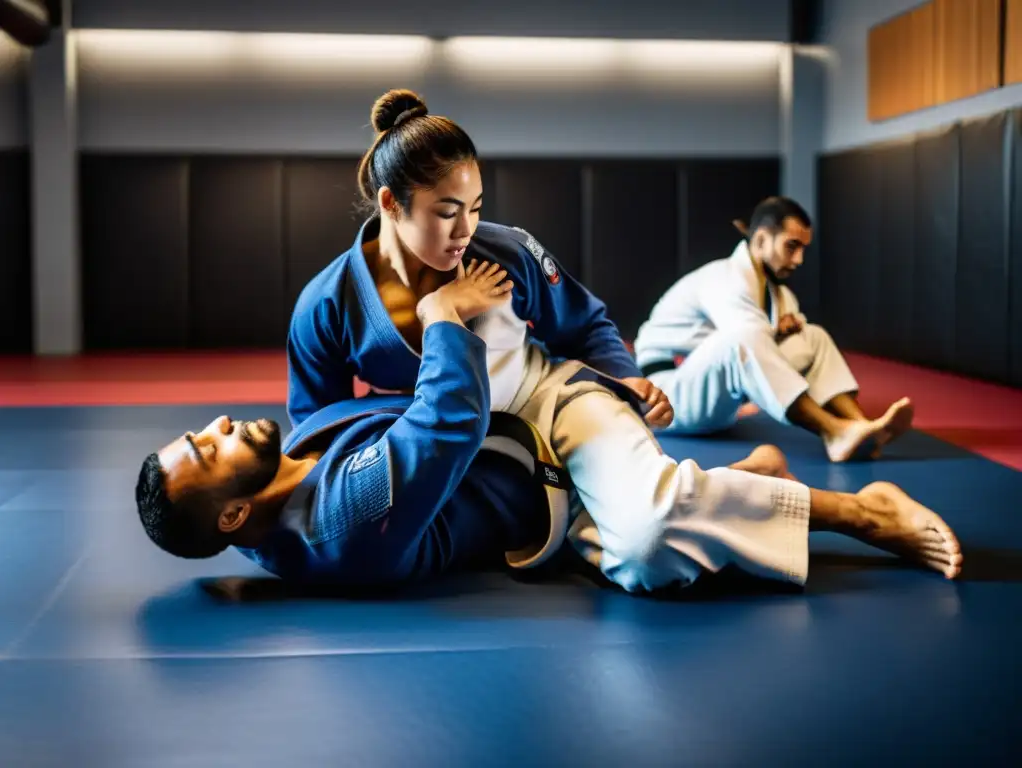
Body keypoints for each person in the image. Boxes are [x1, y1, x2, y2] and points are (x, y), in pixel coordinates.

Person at [275, 87, 959, 593]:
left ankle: (862, 511)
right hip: (466, 456)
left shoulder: (505, 253)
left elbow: (589, 324)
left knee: (650, 542)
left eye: (475, 209)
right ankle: (736, 483)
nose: (464, 231)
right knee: (619, 554)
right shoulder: (327, 305)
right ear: (392, 204)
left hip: (557, 403)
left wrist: (624, 381)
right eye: (446, 213)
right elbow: (323, 430)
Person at [134, 271, 962, 589]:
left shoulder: (261, 496)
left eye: (199, 432)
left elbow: (317, 408)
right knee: (645, 555)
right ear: (233, 513)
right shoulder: (337, 517)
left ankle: (849, 509)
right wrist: (440, 313)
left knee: (652, 528)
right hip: (534, 471)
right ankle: (813, 491)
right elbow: (447, 425)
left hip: (540, 424)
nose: (215, 427)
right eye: (208, 450)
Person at [632, 196, 915, 463]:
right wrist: (774, 331)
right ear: (762, 239)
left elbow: (769, 345)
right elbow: (745, 340)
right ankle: (834, 431)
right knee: (745, 336)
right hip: (668, 398)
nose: (798, 259)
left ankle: (861, 427)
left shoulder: (779, 294)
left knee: (813, 337)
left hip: (718, 404)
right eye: (791, 246)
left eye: (803, 248)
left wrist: (779, 332)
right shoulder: (722, 278)